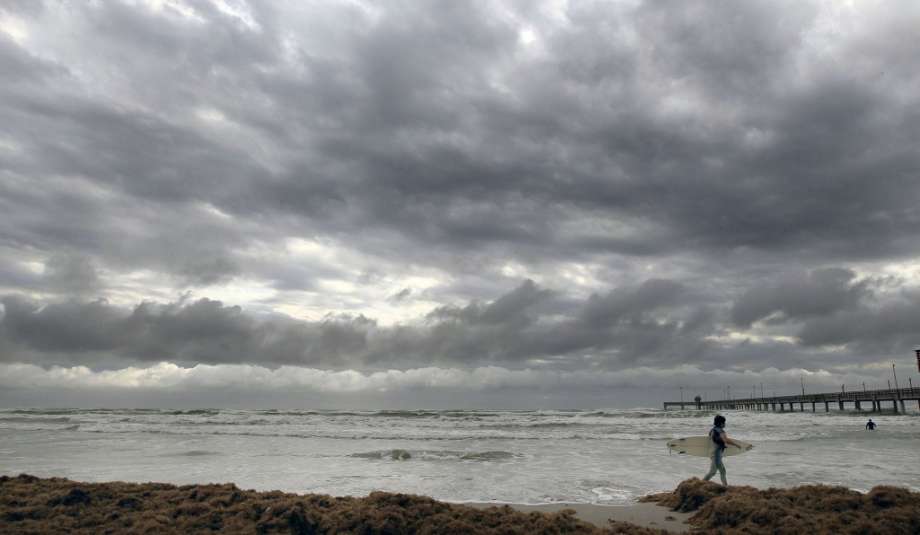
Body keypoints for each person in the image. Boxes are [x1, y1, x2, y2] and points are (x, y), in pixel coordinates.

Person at [703, 414, 742, 486]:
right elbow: (726, 440)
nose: (725, 424)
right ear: (720, 423)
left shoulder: (712, 430)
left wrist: (722, 444)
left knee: (722, 471)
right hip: (716, 454)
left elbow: (714, 440)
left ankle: (725, 486)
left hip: (713, 453)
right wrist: (736, 445)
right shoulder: (720, 431)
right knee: (713, 472)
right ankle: (701, 483)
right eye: (724, 422)